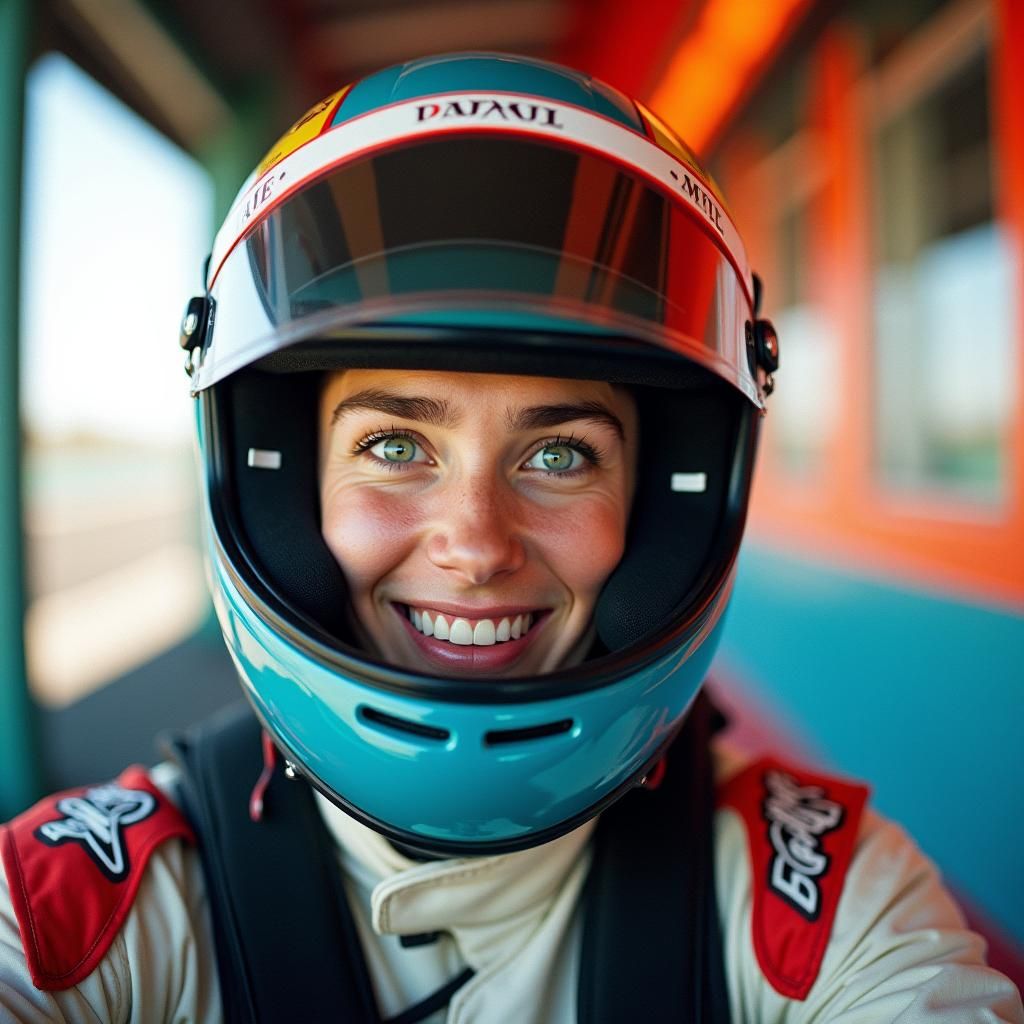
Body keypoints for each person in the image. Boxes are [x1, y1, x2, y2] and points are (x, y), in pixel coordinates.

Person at [1, 52, 1021, 1023]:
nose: (477, 543)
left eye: (560, 456)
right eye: (396, 444)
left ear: (666, 503)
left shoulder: (829, 900)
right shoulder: (86, 912)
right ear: (285, 478)